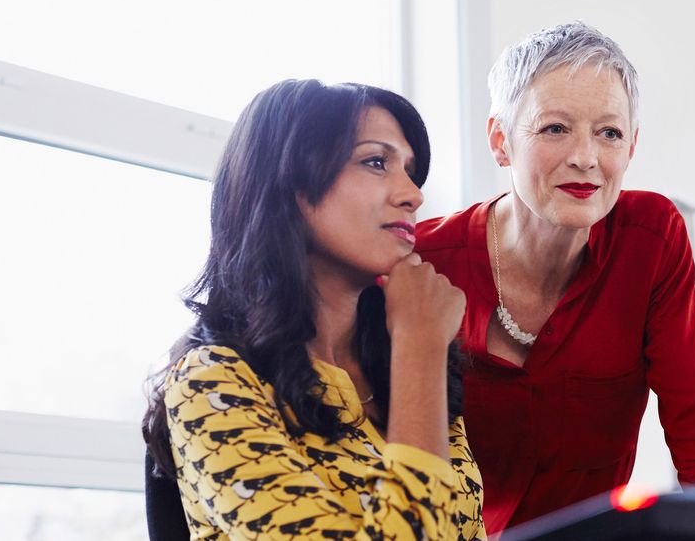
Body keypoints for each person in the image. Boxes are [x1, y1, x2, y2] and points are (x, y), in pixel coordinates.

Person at [416, 22, 695, 534]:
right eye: (555, 128)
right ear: (501, 141)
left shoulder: (651, 241)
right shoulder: (420, 264)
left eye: (609, 133)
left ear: (632, 146)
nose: (586, 157)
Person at [142, 79, 485, 540]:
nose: (412, 194)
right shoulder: (212, 382)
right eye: (376, 162)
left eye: (410, 170)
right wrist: (421, 349)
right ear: (289, 183)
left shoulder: (402, 365)